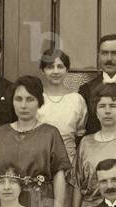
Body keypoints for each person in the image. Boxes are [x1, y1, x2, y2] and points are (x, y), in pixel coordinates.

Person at [0, 76, 71, 207]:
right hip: (6, 203)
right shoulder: (1, 133)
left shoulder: (50, 133)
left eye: (30, 99)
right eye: (18, 99)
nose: (23, 105)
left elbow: (59, 173)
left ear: (39, 102)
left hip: (39, 203)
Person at [36, 47, 88, 190]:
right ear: (42, 71)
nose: (55, 71)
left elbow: (80, 135)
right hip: (39, 163)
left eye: (60, 66)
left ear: (67, 70)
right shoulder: (35, 99)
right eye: (50, 67)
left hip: (69, 164)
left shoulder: (77, 100)